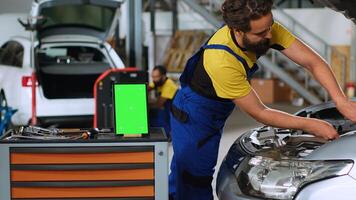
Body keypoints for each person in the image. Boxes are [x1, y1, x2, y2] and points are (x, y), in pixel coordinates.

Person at [168, 0, 356, 199]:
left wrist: (341, 101)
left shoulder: (266, 28)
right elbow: (261, 112)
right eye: (260, 33)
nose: (269, 35)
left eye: (270, 27)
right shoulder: (222, 61)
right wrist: (311, 125)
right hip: (195, 113)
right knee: (192, 177)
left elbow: (312, 62)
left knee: (189, 171)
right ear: (237, 31)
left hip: (217, 108)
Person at [149, 65, 178, 137]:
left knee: (160, 112)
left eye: (156, 77)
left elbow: (159, 104)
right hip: (165, 107)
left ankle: (166, 135)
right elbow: (149, 87)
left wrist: (146, 105)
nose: (154, 79)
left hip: (172, 110)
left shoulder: (168, 85)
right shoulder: (158, 82)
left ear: (163, 76)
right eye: (153, 77)